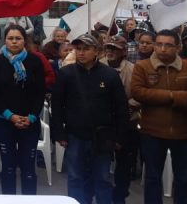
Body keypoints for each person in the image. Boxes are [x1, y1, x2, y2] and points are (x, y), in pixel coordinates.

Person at [51, 33, 129, 204]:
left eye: (86, 49)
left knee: (102, 179)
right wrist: (59, 133)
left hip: (103, 136)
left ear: (97, 51)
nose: (81, 52)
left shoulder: (110, 75)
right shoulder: (66, 74)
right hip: (75, 135)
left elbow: (121, 108)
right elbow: (56, 105)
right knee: (75, 177)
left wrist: (119, 137)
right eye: (78, 49)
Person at [131, 29, 187, 204]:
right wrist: (174, 96)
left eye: (168, 45)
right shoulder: (142, 66)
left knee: (184, 179)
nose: (162, 49)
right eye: (159, 44)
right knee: (152, 178)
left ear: (178, 47)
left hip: (186, 133)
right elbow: (138, 92)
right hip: (152, 133)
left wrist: (166, 97)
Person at [0, 25, 46, 195]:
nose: (14, 41)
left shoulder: (34, 61)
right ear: (4, 40)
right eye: (10, 38)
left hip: (30, 123)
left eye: (17, 38)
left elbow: (40, 92)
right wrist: (9, 115)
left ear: (24, 41)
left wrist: (32, 117)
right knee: (8, 168)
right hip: (5, 122)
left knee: (28, 169)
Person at [103, 35, 140, 204]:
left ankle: (120, 195)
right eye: (108, 48)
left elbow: (140, 94)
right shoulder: (97, 65)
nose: (110, 51)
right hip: (102, 123)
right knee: (100, 161)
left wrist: (125, 106)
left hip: (127, 122)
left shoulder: (133, 70)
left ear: (123, 52)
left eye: (115, 49)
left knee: (124, 163)